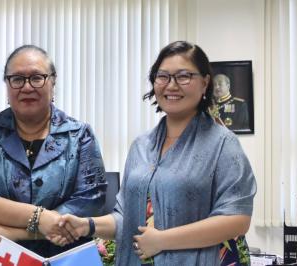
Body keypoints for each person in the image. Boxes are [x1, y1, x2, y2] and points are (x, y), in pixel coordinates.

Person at [58, 41, 257, 265]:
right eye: (163, 76)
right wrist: (87, 225)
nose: (171, 85)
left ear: (205, 83)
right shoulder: (141, 146)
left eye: (184, 76)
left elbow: (236, 219)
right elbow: (127, 218)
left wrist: (163, 240)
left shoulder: (223, 144)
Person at [0, 44, 107, 265]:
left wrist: (13, 231)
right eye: (17, 79)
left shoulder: (79, 134)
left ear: (53, 82)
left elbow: (90, 201)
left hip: (65, 258)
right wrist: (41, 219)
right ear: (7, 85)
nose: (27, 87)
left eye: (37, 78)